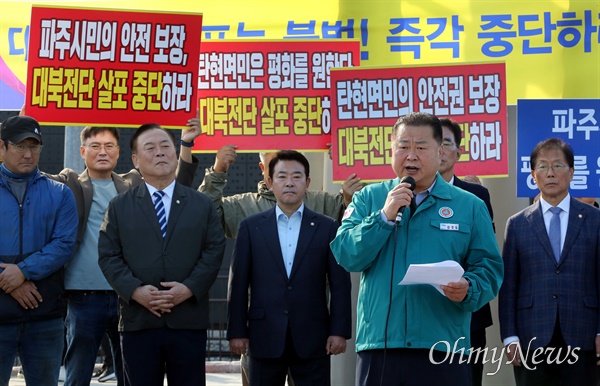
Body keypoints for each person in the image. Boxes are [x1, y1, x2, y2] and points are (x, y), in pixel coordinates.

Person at [330, 112, 503, 386]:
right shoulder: (368, 198)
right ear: (391, 150)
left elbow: (490, 268)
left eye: (421, 148)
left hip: (444, 347)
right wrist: (384, 216)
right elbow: (346, 253)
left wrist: (469, 287)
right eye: (402, 146)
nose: (410, 155)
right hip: (381, 345)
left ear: (440, 152)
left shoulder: (469, 205)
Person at [44, 121, 200, 386]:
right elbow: (28, 176)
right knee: (77, 374)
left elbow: (179, 181)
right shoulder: (69, 182)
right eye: (95, 146)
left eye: (109, 146)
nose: (102, 152)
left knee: (130, 375)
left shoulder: (134, 182)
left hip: (129, 296)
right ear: (82, 151)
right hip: (83, 298)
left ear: (119, 153)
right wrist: (21, 127)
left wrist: (185, 144)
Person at [199, 144, 362, 386]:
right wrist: (236, 331)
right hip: (262, 336)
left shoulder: (326, 221)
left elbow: (339, 284)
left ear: (307, 182)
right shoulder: (250, 222)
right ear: (268, 179)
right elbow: (239, 282)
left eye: (296, 176)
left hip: (312, 336)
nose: (289, 182)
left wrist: (339, 330)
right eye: (281, 176)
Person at [98, 124, 225, 386]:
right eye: (150, 148)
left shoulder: (201, 204)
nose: (160, 153)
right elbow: (108, 255)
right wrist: (135, 291)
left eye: (166, 146)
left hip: (187, 320)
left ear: (175, 153)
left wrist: (188, 289)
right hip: (139, 321)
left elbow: (213, 250)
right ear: (135, 159)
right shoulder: (120, 206)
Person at [499, 138, 600, 385]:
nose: (551, 173)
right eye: (543, 167)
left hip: (583, 333)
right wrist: (510, 337)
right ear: (533, 175)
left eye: (558, 165)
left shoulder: (594, 219)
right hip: (530, 335)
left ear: (572, 172)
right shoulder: (518, 223)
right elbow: (509, 285)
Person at [0, 116, 78, 385]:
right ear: (2, 147)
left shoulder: (60, 193)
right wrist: (9, 280)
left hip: (44, 318)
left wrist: (22, 271)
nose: (29, 154)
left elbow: (64, 244)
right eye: (21, 146)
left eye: (35, 146)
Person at [199, 144, 363, 237]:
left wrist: (346, 165)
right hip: (262, 296)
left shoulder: (322, 203)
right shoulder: (244, 206)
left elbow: (358, 227)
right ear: (263, 169)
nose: (288, 180)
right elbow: (203, 217)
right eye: (277, 166)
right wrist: (218, 170)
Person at [439, 117, 495, 386]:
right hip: (420, 315)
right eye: (432, 142)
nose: (439, 150)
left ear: (458, 152)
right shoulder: (402, 194)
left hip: (468, 315)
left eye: (446, 143)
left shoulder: (476, 195)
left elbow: (485, 255)